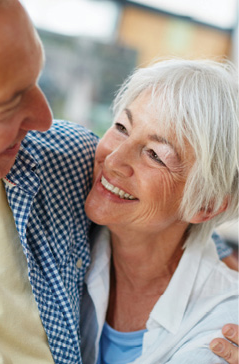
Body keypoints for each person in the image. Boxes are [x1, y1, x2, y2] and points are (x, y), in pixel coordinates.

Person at [0, 1, 236, 363]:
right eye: (8, 101)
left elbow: (178, 213)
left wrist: (223, 268)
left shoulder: (66, 158)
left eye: (37, 80)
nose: (44, 118)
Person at [80, 59, 239, 364]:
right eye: (122, 128)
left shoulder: (224, 328)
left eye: (155, 155)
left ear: (204, 205)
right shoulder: (66, 237)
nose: (113, 160)